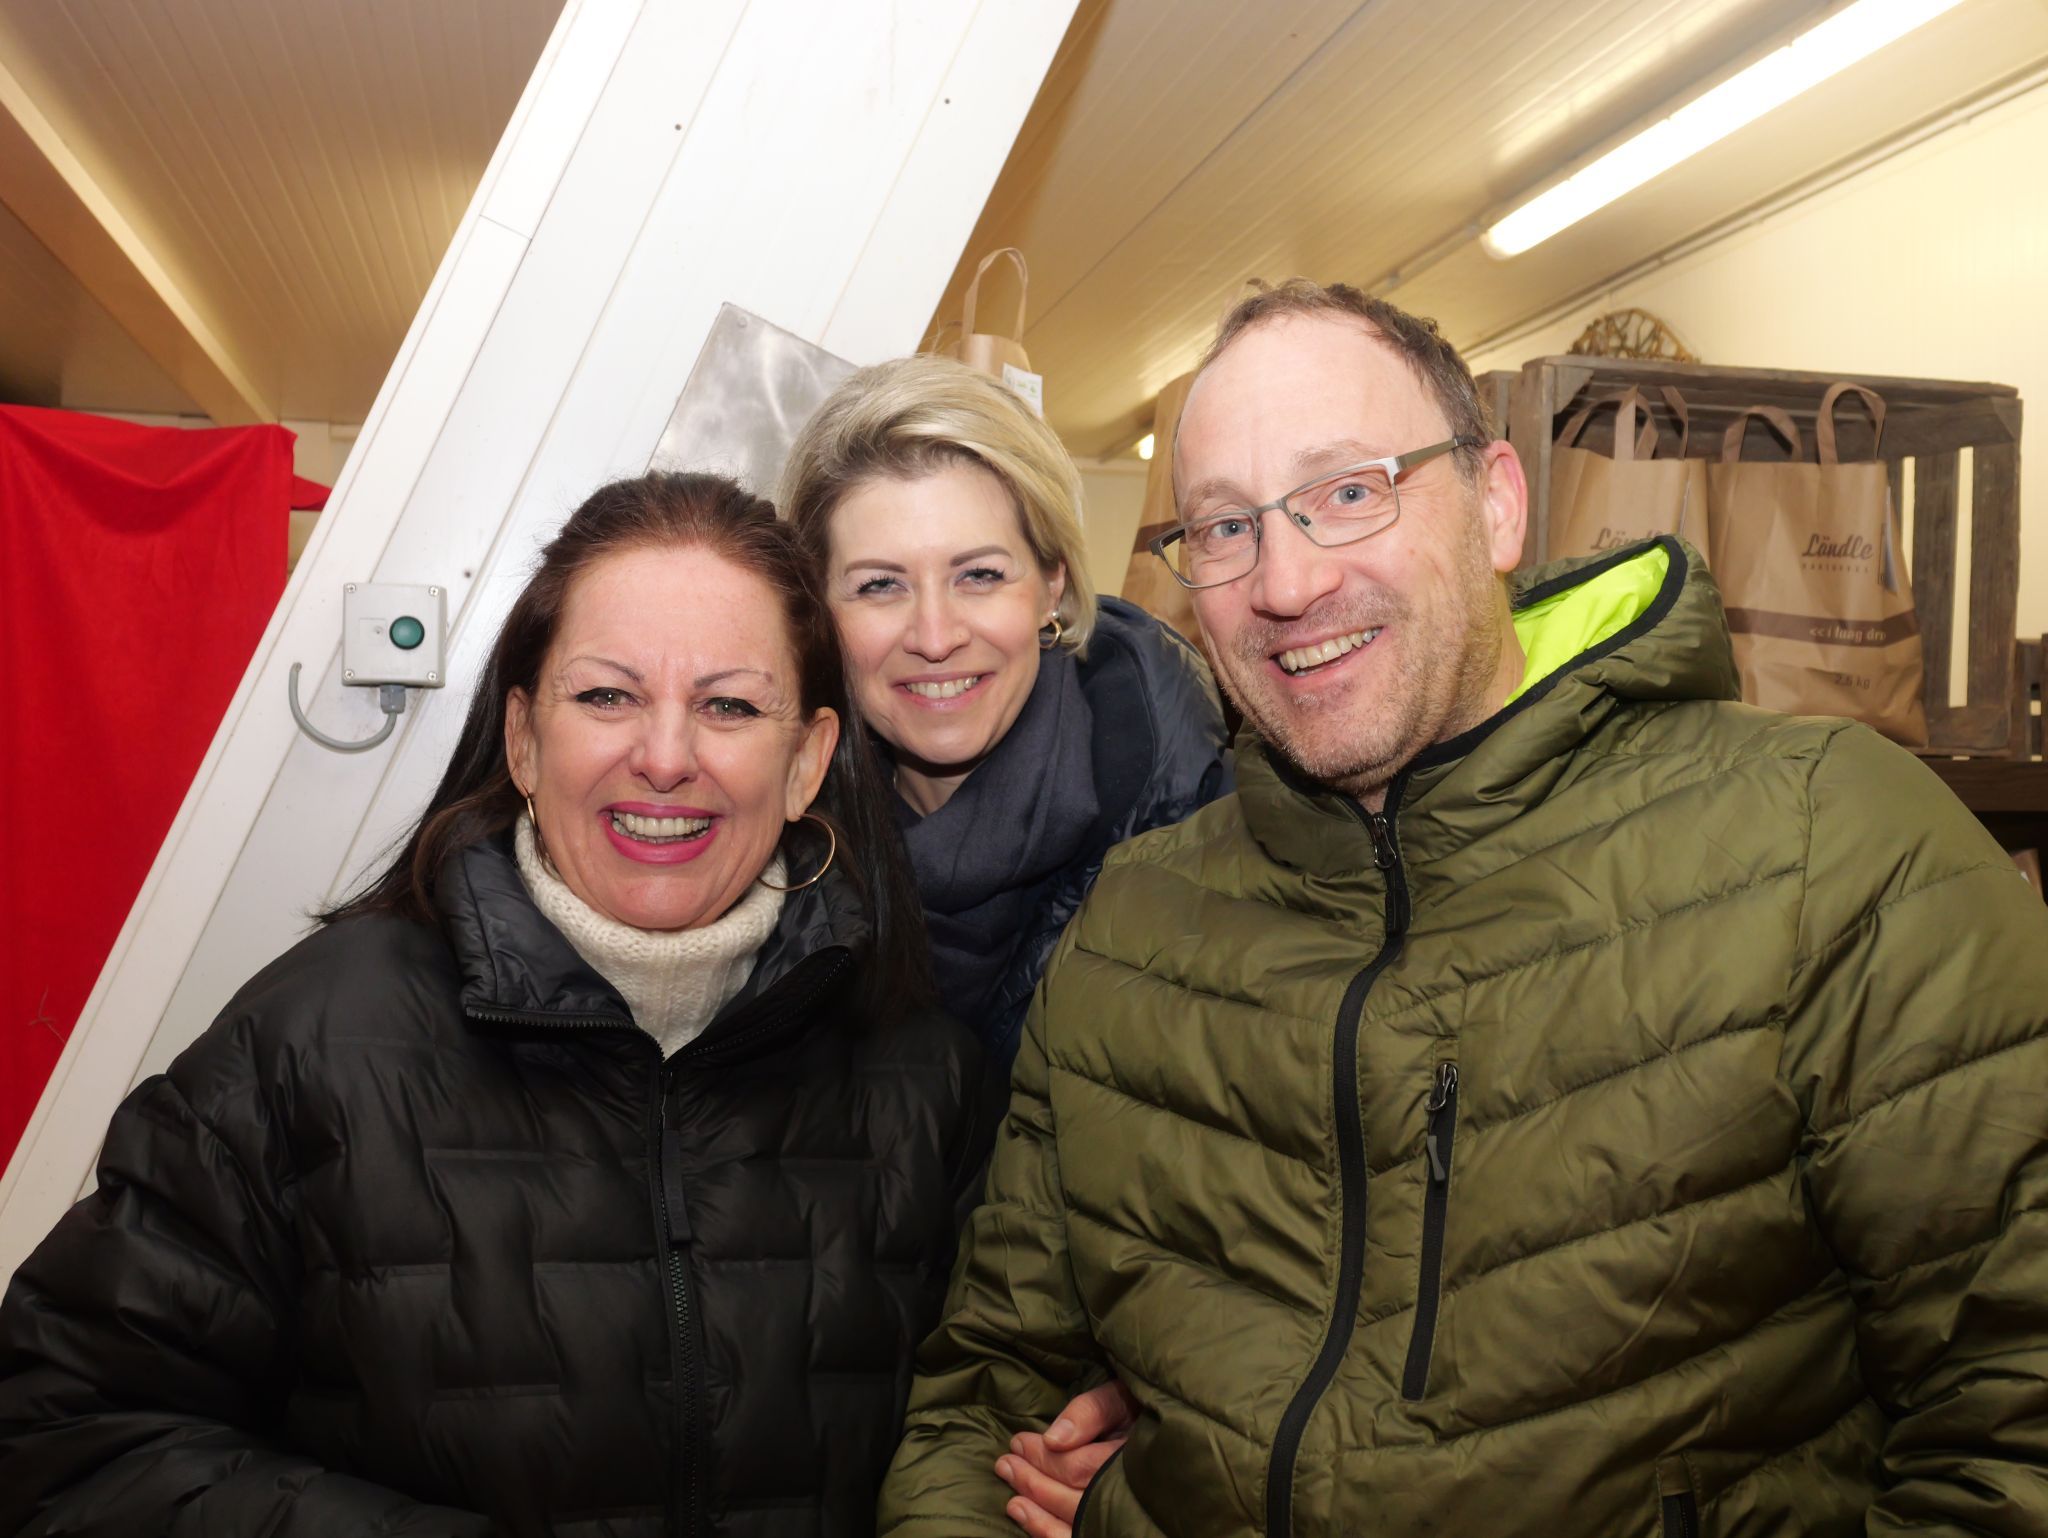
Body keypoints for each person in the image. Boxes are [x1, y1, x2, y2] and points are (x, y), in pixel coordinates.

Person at [876, 281, 2048, 1536]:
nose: (1283, 580)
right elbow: (979, 1407)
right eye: (1222, 527)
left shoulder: (1829, 845)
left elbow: (2007, 1430)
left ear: (1494, 501)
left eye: (1346, 491)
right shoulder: (1134, 926)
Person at [0, 472, 985, 1538]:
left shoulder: (922, 1075)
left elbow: (993, 1419)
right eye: (606, 695)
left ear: (806, 761)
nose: (662, 756)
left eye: (729, 705)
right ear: (521, 739)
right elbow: (62, 1437)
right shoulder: (309, 1042)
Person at [780, 355, 1230, 1076]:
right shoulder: (772, 853)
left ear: (1051, 585)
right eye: (879, 585)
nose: (934, 635)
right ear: (819, 614)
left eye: (980, 575)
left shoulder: (1200, 840)